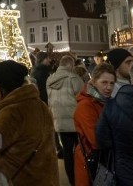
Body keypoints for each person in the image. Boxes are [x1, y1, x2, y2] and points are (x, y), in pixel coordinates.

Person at [0, 60, 59, 186]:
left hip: (20, 180)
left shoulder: (12, 112)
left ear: (2, 86)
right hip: (45, 179)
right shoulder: (40, 105)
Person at [73, 62, 115, 186]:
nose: (109, 87)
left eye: (112, 83)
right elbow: (96, 140)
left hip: (103, 161)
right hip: (90, 161)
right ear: (94, 81)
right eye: (104, 82)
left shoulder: (105, 102)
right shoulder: (86, 105)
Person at [46, 55, 84, 185]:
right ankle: (81, 179)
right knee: (81, 151)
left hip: (59, 120)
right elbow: (83, 99)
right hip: (76, 120)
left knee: (67, 152)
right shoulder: (74, 78)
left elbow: (50, 100)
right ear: (69, 65)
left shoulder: (50, 79)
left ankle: (72, 181)